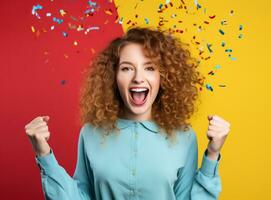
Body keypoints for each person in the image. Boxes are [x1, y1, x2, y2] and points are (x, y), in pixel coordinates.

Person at [25, 26, 230, 200]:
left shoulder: (185, 137)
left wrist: (212, 154)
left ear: (163, 77)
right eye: (127, 68)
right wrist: (43, 153)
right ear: (113, 77)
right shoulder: (90, 134)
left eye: (149, 68)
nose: (138, 78)